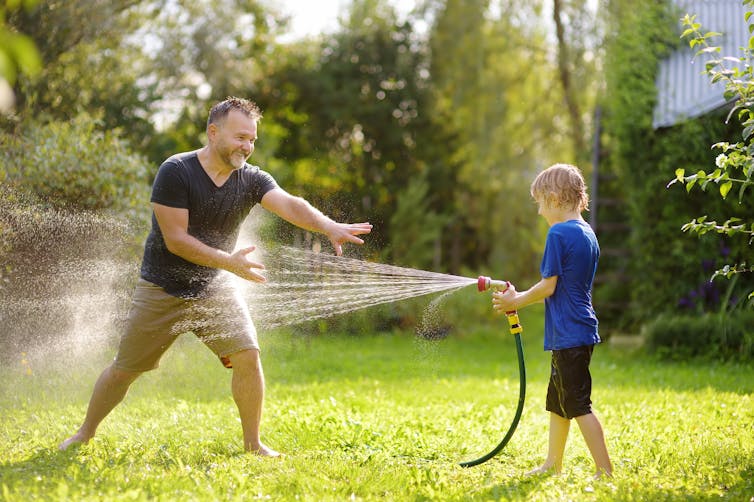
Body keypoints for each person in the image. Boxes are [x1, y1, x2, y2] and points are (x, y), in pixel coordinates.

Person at [59, 96, 372, 457]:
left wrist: (328, 226)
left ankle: (253, 445)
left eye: (252, 139)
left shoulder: (252, 179)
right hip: (163, 287)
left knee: (248, 356)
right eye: (240, 137)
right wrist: (229, 263)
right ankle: (85, 433)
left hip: (213, 286)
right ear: (213, 132)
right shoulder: (176, 171)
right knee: (125, 370)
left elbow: (289, 203)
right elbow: (176, 241)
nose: (248, 146)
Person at [491, 163, 612, 479]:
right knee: (560, 402)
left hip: (570, 333)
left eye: (541, 203)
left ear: (555, 198)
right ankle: (552, 463)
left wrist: (514, 301)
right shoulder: (588, 233)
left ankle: (605, 471)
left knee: (578, 404)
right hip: (578, 330)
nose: (540, 212)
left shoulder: (558, 233)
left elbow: (549, 286)